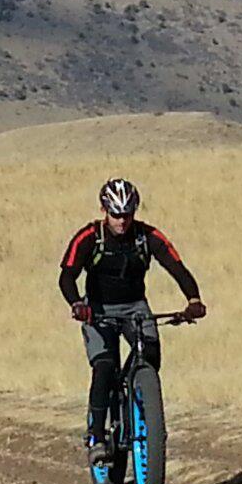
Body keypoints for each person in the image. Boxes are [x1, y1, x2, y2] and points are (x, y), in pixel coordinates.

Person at [59, 178, 206, 466]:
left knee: (149, 358)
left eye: (127, 214)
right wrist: (77, 304)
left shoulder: (147, 236)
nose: (122, 221)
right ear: (104, 210)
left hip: (137, 308)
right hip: (98, 311)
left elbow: (176, 266)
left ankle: (144, 409)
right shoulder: (90, 237)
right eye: (116, 215)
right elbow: (66, 275)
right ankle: (97, 436)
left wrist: (193, 300)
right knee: (104, 366)